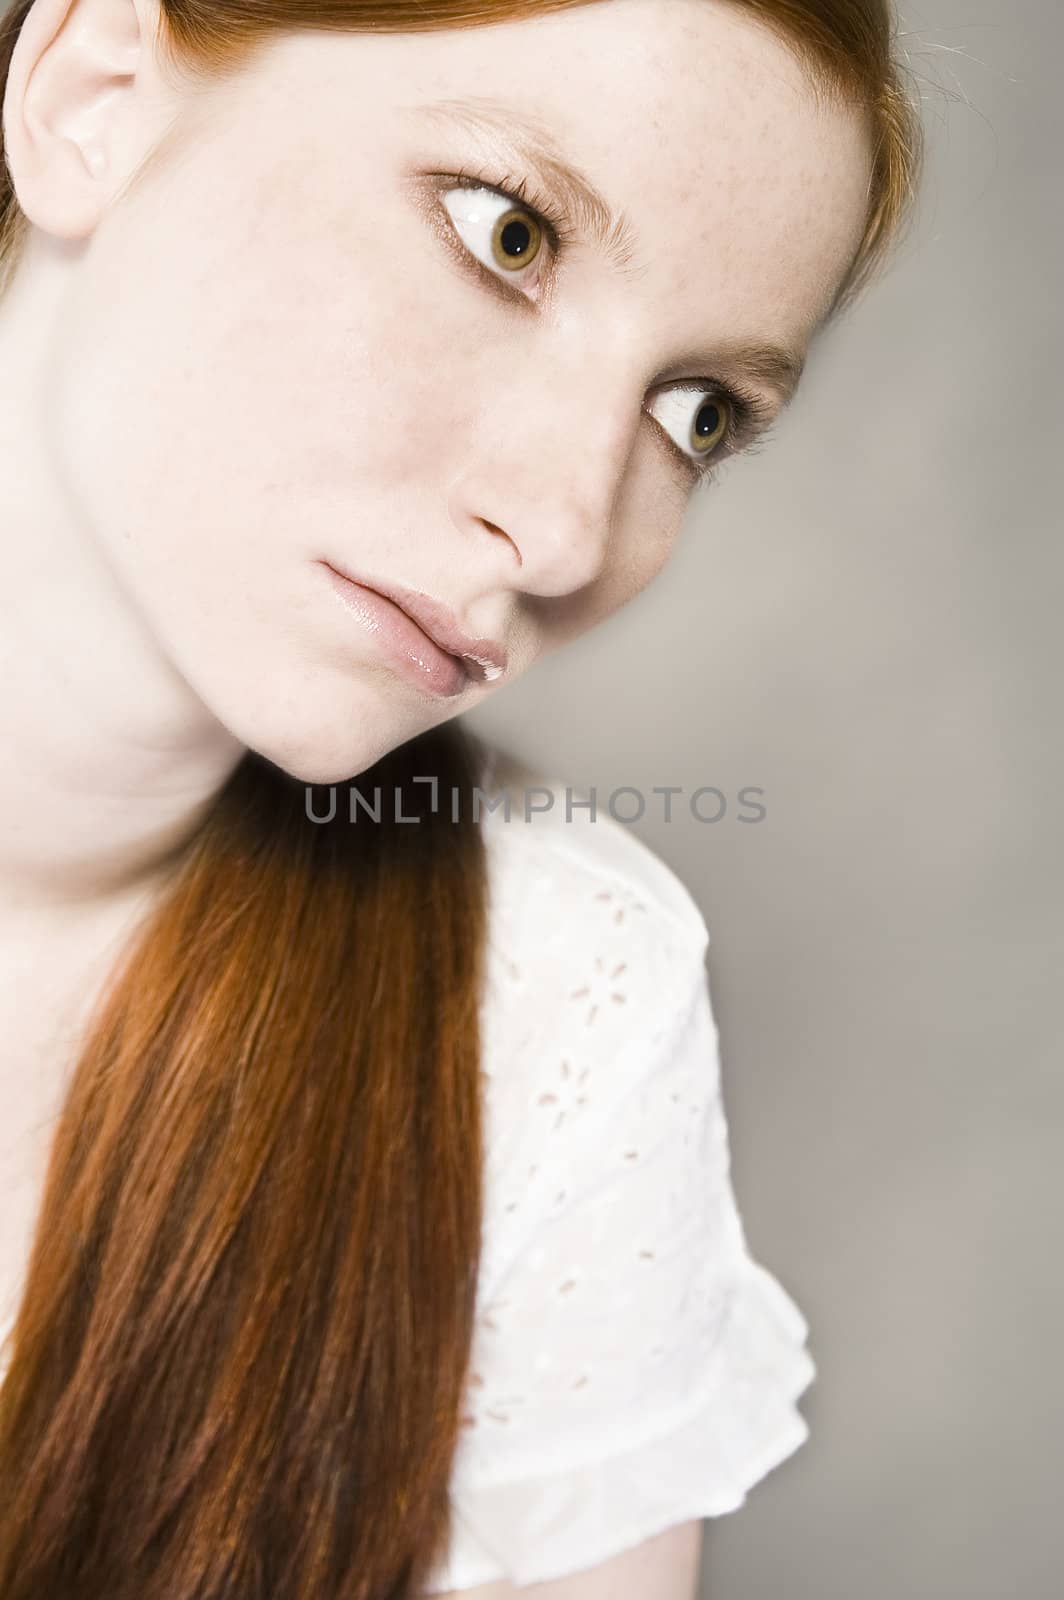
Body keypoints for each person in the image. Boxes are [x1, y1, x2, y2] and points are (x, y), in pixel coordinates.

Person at [0, 0, 922, 1595]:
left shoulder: (550, 999)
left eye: (696, 415)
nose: (572, 531)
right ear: (94, 92)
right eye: (509, 235)